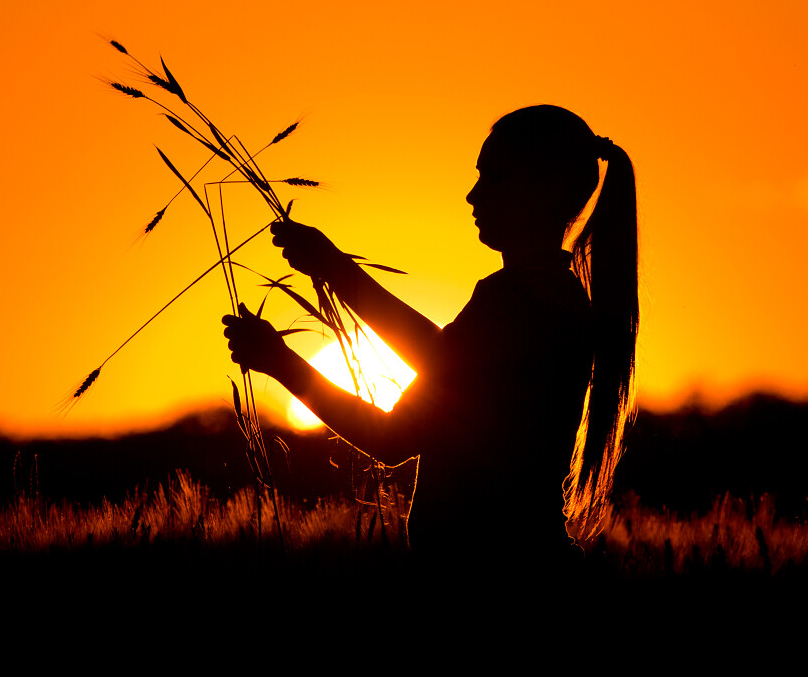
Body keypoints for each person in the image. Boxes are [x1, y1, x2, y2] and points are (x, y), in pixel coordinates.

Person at [222, 105, 639, 568]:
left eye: (494, 177)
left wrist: (328, 278)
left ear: (546, 191)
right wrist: (283, 355)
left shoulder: (532, 303)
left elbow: (409, 409)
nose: (472, 195)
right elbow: (397, 428)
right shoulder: (528, 299)